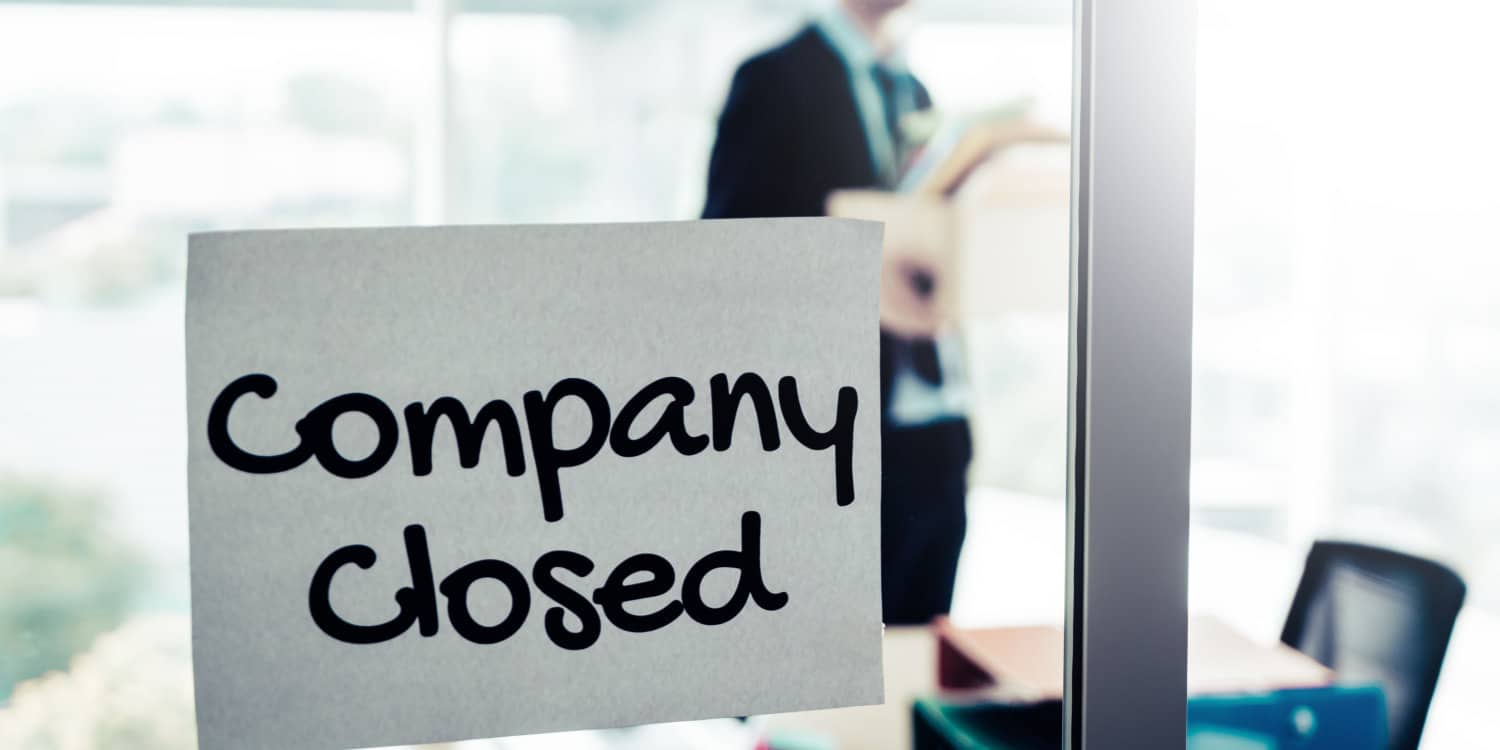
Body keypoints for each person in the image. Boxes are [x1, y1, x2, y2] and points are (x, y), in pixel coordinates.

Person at [703, 0, 971, 625]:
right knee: (830, 674)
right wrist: (848, 271)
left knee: (916, 662)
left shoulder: (914, 89)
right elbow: (722, 255)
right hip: (836, 436)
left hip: (932, 422)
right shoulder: (773, 79)